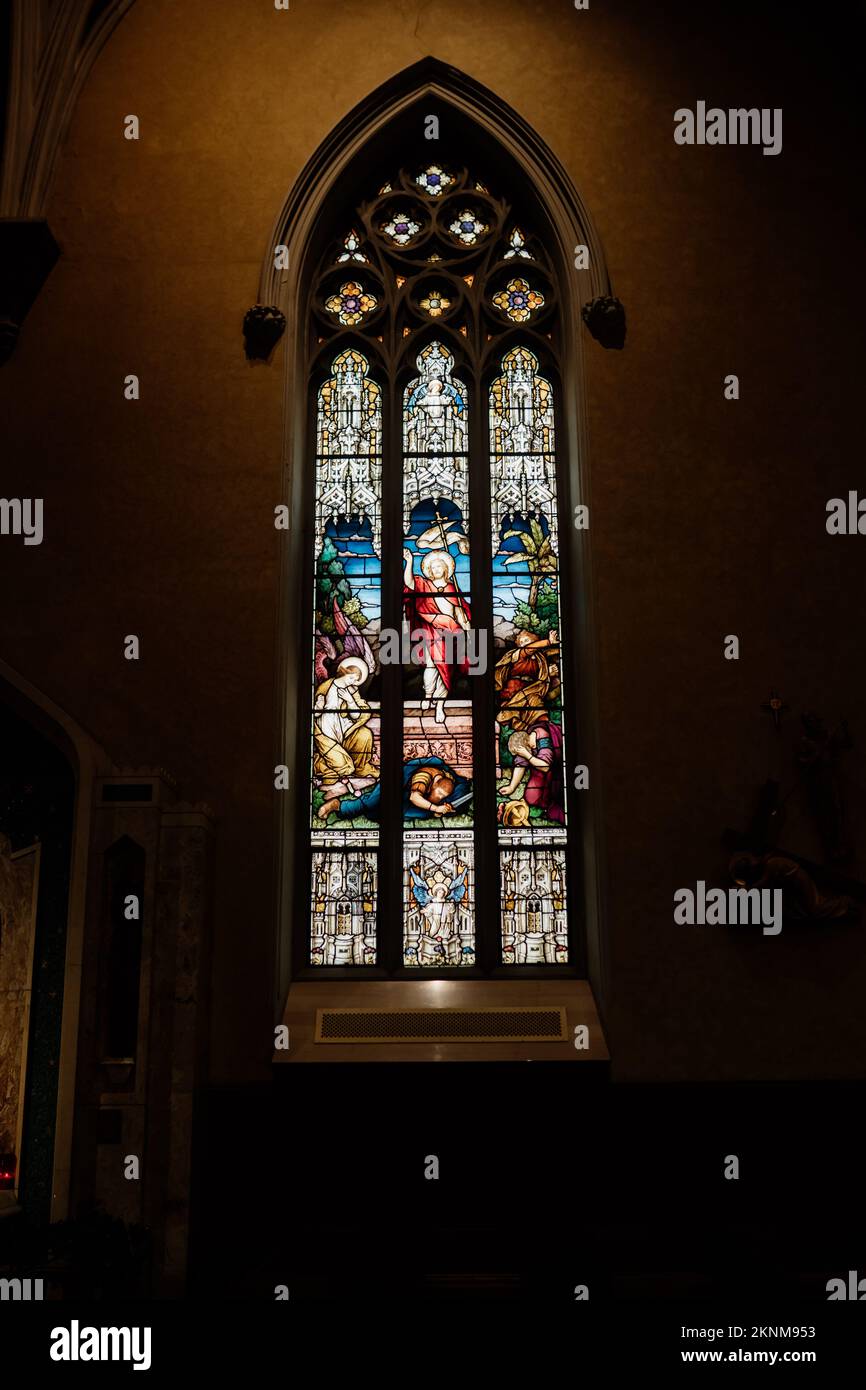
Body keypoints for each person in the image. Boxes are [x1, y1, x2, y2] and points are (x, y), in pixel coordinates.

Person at [403, 547, 471, 724]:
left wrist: (466, 626)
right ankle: (428, 694)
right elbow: (409, 584)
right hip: (431, 631)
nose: (436, 569)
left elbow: (459, 612)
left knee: (446, 671)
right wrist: (409, 562)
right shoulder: (425, 585)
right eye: (432, 567)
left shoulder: (452, 588)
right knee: (432, 666)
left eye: (439, 566)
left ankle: (439, 706)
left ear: (446, 569)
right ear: (429, 571)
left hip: (451, 633)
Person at [318, 755, 470, 822]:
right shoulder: (424, 776)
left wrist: (443, 808)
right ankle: (338, 805)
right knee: (371, 803)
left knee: (384, 814)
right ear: (434, 785)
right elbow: (414, 797)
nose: (439, 797)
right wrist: (436, 809)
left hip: (405, 795)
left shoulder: (449, 780)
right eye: (438, 794)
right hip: (396, 781)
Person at [312, 657, 377, 785]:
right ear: (344, 671)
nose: (353, 682)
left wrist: (350, 700)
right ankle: (318, 763)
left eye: (356, 680)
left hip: (344, 732)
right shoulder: (326, 687)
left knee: (365, 734)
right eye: (352, 678)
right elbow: (316, 713)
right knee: (345, 768)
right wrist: (318, 707)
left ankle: (361, 768)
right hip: (325, 733)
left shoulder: (352, 691)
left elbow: (358, 715)